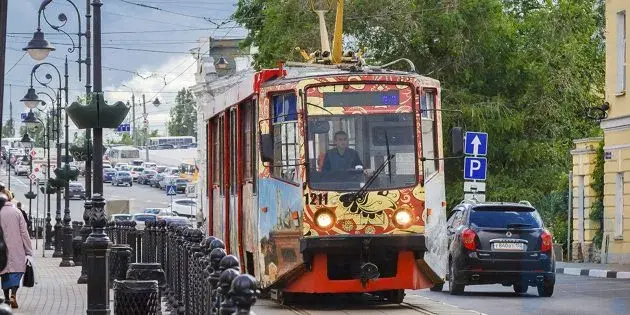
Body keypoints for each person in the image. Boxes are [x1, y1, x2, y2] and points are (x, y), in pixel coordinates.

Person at [0, 194, 32, 309]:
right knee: (17, 272)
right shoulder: (17, 212)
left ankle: (7, 298)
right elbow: (24, 233)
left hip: (1, 249)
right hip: (16, 248)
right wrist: (28, 250)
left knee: (4, 273)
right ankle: (13, 293)